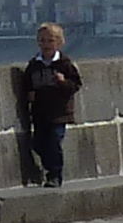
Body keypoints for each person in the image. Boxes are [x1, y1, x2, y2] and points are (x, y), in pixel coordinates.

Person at [12, 21, 81, 187]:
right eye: (42, 41)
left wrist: (63, 82)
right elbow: (27, 83)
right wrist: (29, 94)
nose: (46, 44)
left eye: (50, 41)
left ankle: (55, 174)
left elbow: (76, 84)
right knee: (38, 144)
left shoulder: (64, 63)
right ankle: (46, 168)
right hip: (40, 113)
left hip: (59, 113)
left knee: (54, 142)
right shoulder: (34, 65)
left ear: (59, 43)